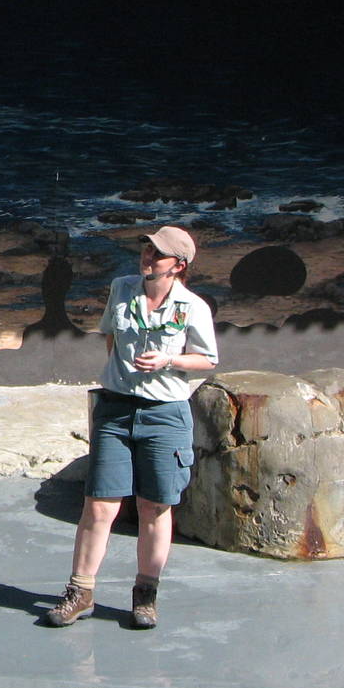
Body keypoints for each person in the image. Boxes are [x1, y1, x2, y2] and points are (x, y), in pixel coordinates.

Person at [43, 225, 217, 631]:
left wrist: (168, 361)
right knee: (100, 503)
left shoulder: (193, 307)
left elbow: (207, 359)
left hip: (166, 413)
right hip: (116, 409)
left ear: (179, 265)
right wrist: (121, 378)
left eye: (158, 254)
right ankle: (80, 591)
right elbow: (110, 338)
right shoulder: (122, 288)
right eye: (146, 249)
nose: (148, 257)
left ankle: (146, 593)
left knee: (154, 506)